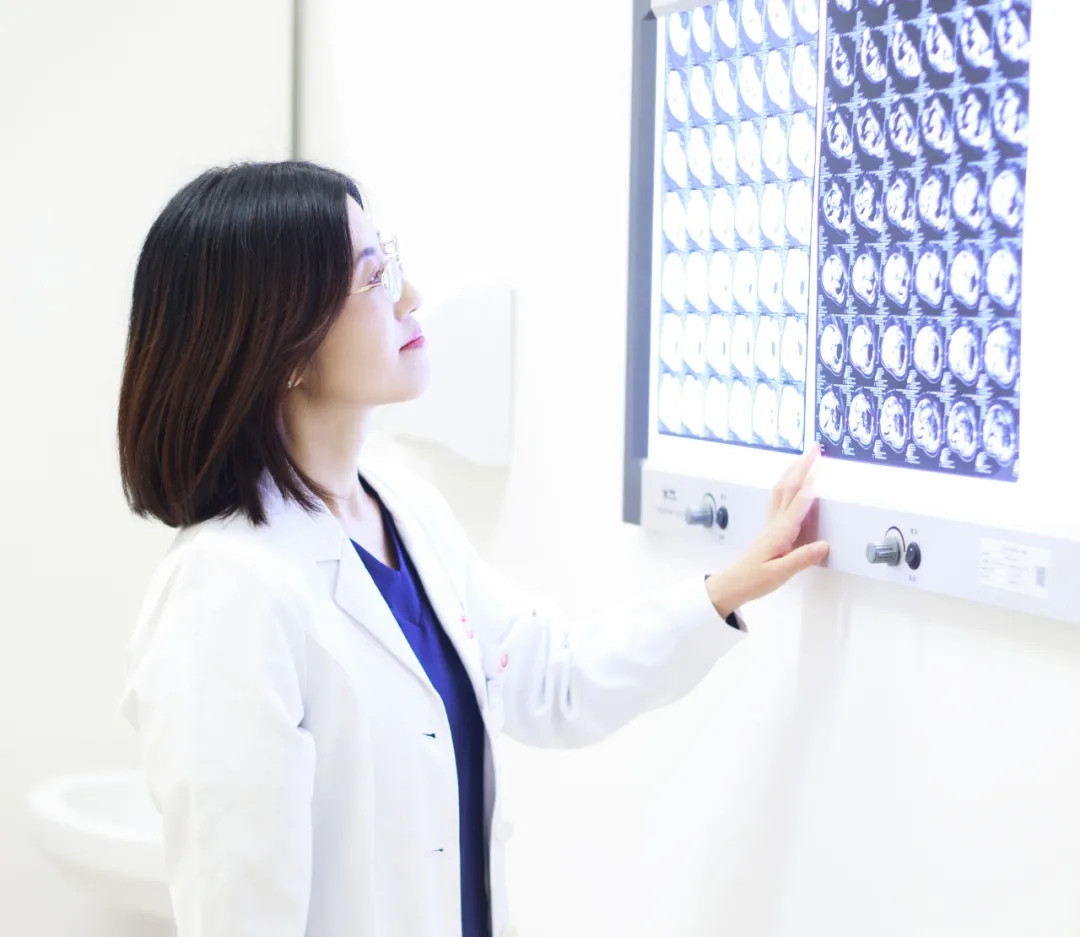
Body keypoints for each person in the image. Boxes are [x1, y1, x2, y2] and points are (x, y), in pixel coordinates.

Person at [116, 160, 829, 937]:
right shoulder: (228, 590)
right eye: (373, 277)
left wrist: (728, 586)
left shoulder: (405, 511)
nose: (411, 297)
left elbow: (551, 680)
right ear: (283, 347)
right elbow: (242, 913)